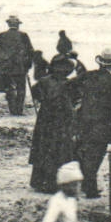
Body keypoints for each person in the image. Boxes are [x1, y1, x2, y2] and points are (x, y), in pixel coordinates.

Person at [74, 49, 111, 197]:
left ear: (99, 63)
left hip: (84, 121)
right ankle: (90, 189)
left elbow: (70, 86)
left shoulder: (88, 75)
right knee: (96, 155)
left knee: (85, 152)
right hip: (102, 123)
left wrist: (78, 104)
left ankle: (86, 185)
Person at [29, 55, 81, 193]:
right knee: (58, 150)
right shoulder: (68, 83)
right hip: (59, 120)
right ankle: (52, 183)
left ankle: (41, 181)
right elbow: (76, 100)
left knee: (45, 149)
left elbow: (35, 93)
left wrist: (43, 100)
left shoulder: (44, 81)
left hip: (47, 120)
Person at [0, 15, 36, 115]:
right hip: (20, 66)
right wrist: (28, 64)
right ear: (18, 25)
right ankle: (19, 110)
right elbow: (31, 51)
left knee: (9, 88)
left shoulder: (2, 35)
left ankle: (12, 110)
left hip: (6, 67)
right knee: (21, 88)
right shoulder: (23, 35)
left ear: (8, 24)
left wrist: (0, 56)